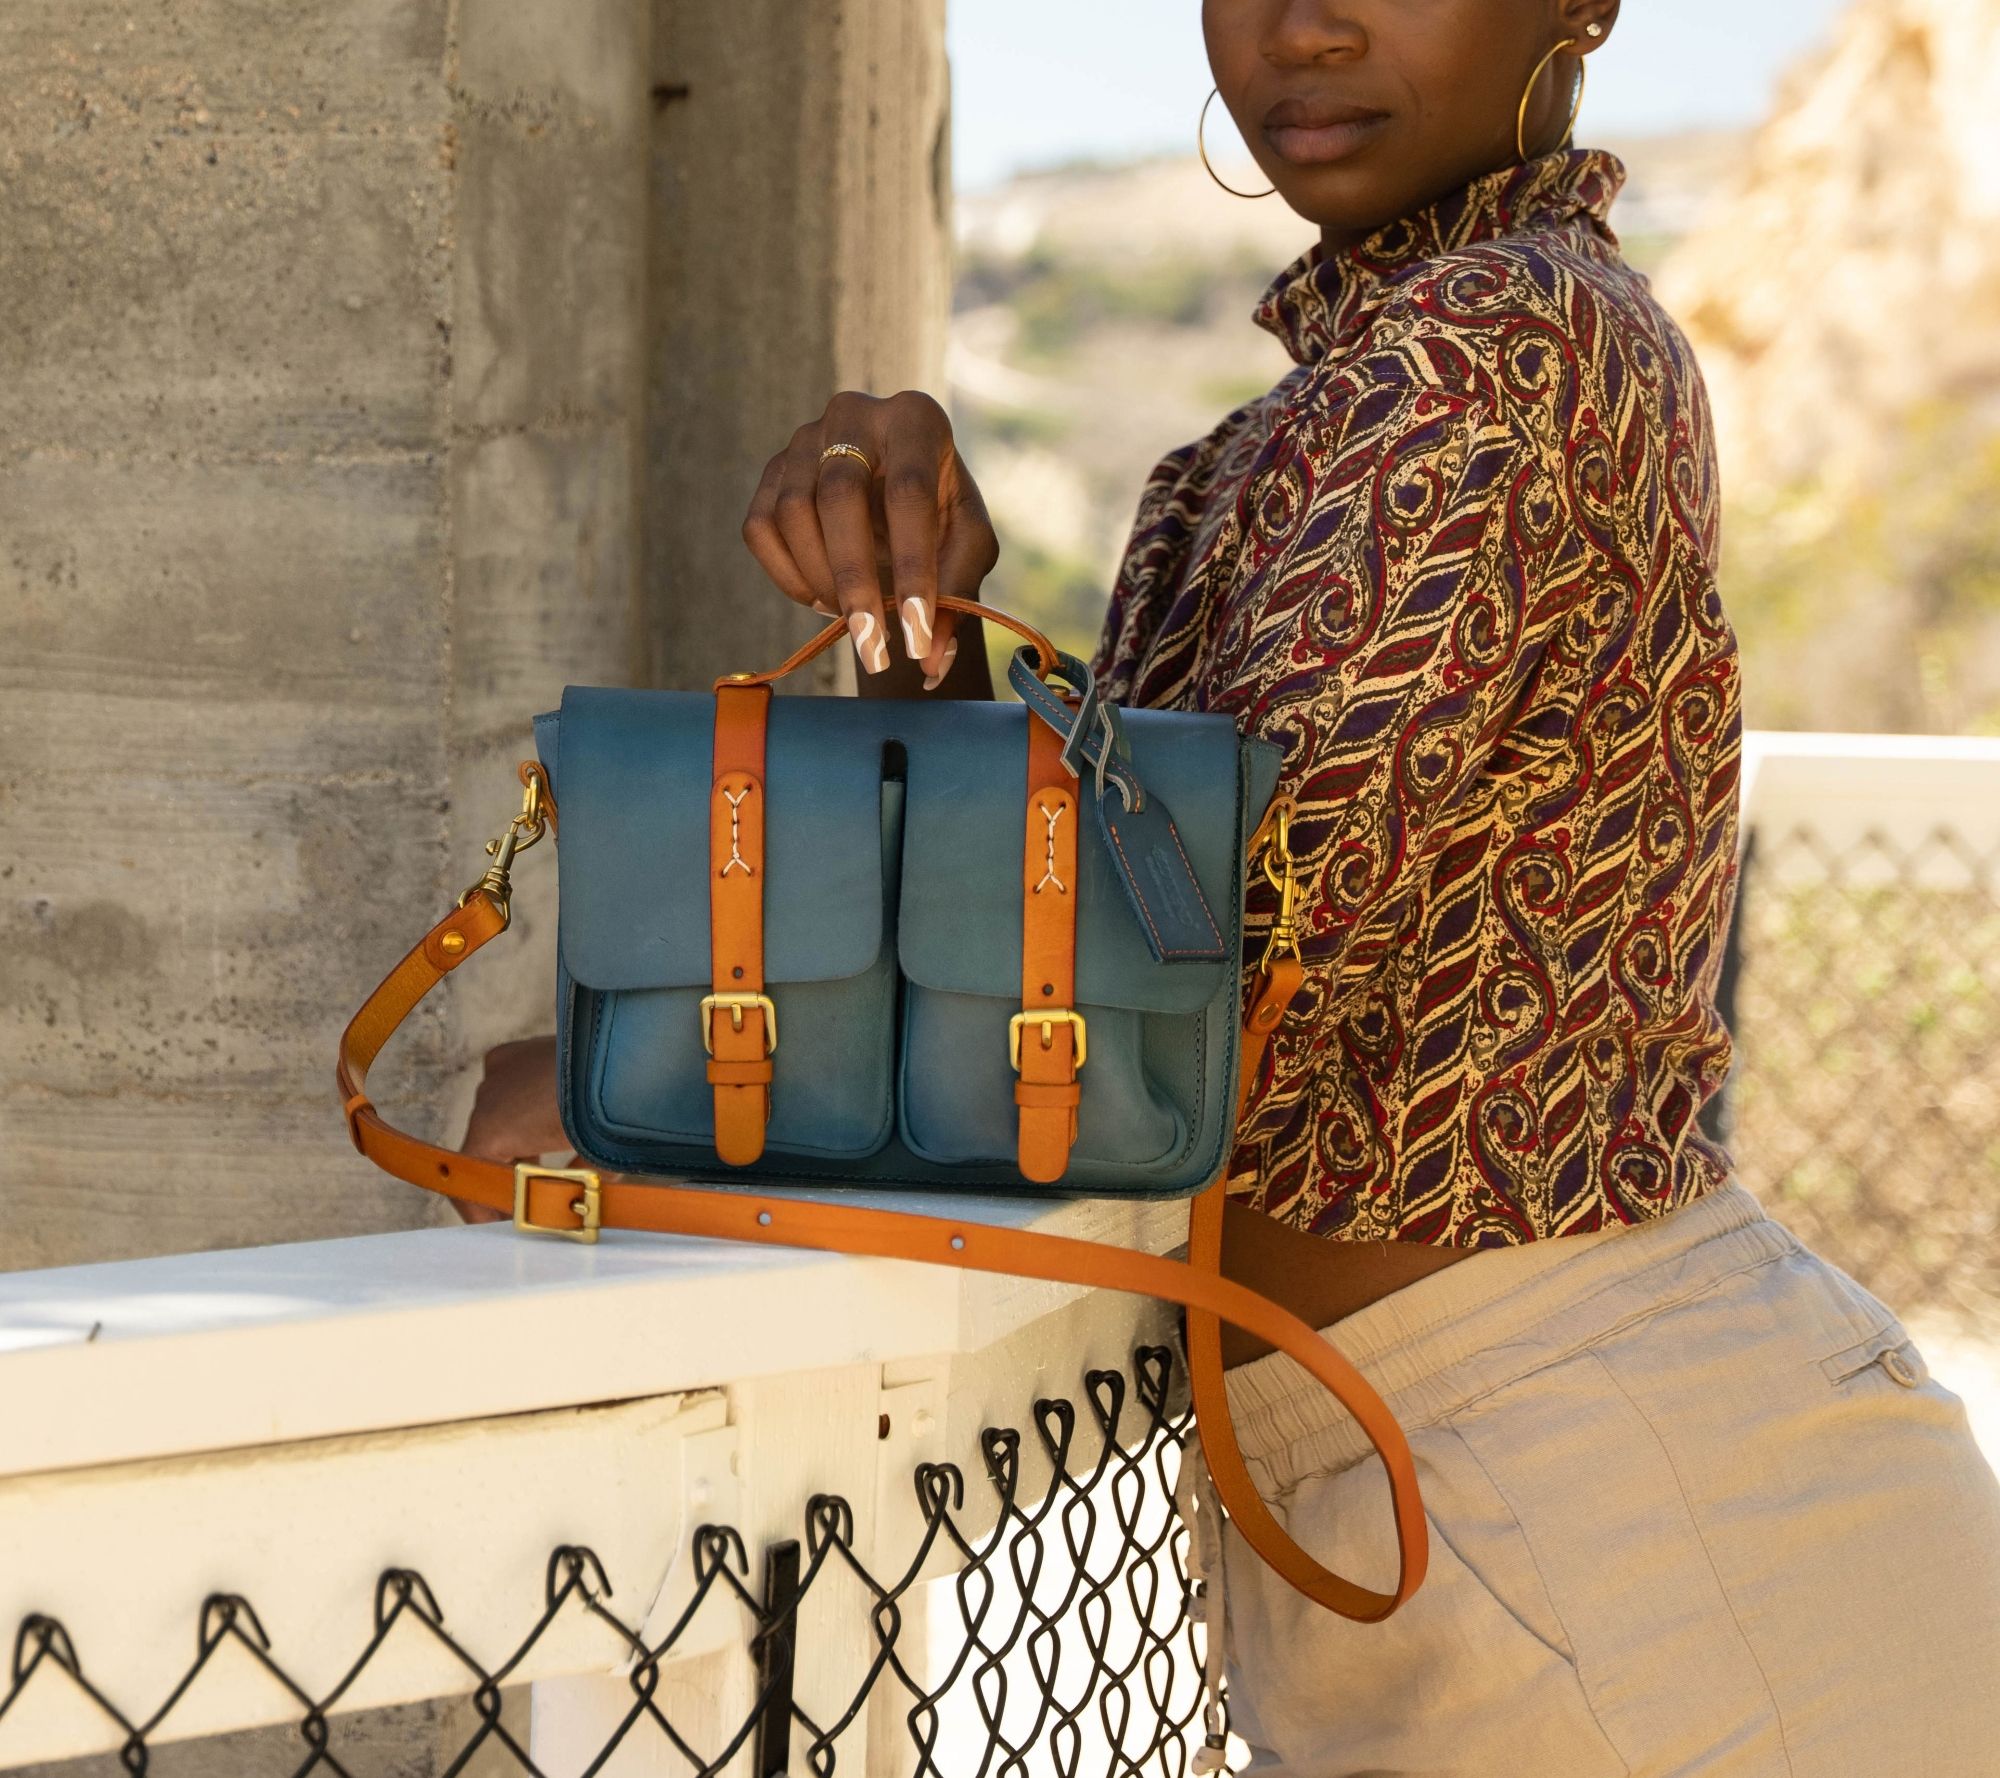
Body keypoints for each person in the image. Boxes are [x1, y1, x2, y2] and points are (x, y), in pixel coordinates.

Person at [454, 3, 2000, 1771]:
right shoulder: (1303, 428)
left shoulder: (1502, 346)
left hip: (1630, 1516)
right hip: (1494, 1497)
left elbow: (1171, 975)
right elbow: (1076, 970)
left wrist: (655, 1070)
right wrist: (922, 640)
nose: (1301, 23)